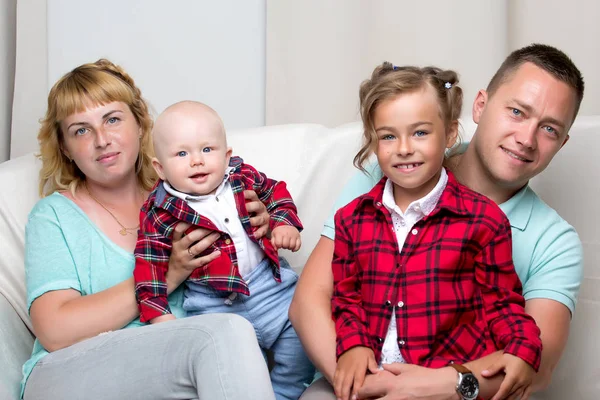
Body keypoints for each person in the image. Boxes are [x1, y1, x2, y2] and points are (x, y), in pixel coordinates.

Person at [291, 43, 584, 400]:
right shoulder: (389, 175)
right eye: (517, 112)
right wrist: (362, 384)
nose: (526, 138)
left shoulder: (552, 240)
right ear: (481, 105)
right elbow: (317, 297)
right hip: (354, 378)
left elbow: (535, 366)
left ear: (563, 142)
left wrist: (442, 386)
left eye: (549, 129)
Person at [22, 59, 277, 400]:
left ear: (141, 124)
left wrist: (258, 226)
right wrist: (168, 275)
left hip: (176, 365)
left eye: (112, 119)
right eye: (81, 130)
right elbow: (54, 329)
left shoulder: (188, 195)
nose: (102, 140)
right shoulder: (53, 216)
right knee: (225, 333)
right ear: (65, 147)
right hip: (67, 372)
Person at [330, 63, 542, 400]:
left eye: (420, 132)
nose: (403, 148)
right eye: (388, 135)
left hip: (438, 384)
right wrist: (352, 346)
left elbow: (502, 304)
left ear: (450, 134)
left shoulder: (484, 221)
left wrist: (522, 349)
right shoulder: (351, 219)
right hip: (369, 379)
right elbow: (346, 296)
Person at [133, 100, 314, 400]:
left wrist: (283, 224)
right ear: (160, 168)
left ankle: (286, 390)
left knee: (301, 329)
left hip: (269, 287)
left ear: (227, 154)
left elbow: (276, 191)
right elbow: (148, 265)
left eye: (207, 150)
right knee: (233, 369)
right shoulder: (159, 211)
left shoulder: (241, 177)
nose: (197, 161)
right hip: (213, 304)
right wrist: (159, 315)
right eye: (181, 153)